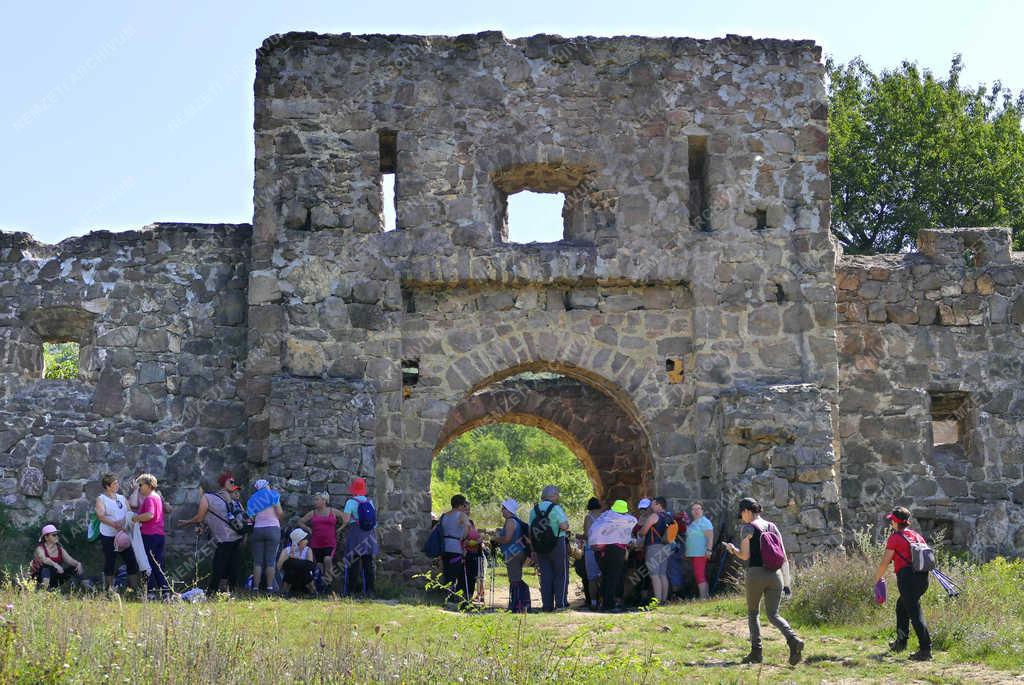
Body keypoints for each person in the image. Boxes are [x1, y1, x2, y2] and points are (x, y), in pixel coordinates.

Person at [724, 497, 803, 666]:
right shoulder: (772, 526)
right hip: (776, 576)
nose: (742, 517)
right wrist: (787, 584)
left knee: (754, 613)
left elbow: (745, 555)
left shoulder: (748, 528)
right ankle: (793, 639)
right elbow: (784, 558)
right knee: (774, 614)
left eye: (741, 514)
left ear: (746, 511)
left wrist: (733, 550)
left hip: (756, 574)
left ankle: (756, 653)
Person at [874, 506, 932, 661]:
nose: (890, 523)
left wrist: (877, 578)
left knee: (915, 613)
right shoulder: (916, 535)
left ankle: (925, 650)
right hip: (923, 578)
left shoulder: (895, 538)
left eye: (891, 520)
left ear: (894, 521)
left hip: (908, 579)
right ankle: (901, 642)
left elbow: (885, 562)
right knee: (902, 606)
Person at [179, 472, 245, 595]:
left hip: (224, 539)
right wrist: (204, 527)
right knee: (233, 565)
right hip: (237, 536)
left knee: (219, 565)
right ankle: (231, 591)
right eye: (231, 481)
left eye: (233, 482)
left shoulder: (208, 498)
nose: (233, 484)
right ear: (222, 483)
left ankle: (212, 591)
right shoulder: (233, 499)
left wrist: (187, 522)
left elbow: (200, 517)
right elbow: (213, 517)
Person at [588, 500, 637, 613]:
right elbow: (633, 524)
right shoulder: (625, 520)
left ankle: (602, 602)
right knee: (613, 577)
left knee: (605, 576)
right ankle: (609, 604)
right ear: (624, 511)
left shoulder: (604, 517)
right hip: (616, 551)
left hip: (600, 551)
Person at [94, 473, 140, 592]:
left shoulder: (122, 498)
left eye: (117, 482)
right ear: (107, 486)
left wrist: (124, 522)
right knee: (110, 561)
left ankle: (133, 588)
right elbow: (100, 516)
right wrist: (115, 524)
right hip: (109, 536)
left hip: (123, 536)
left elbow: (129, 512)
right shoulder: (101, 499)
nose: (117, 485)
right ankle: (109, 589)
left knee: (131, 560)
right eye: (114, 483)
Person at [530, 485, 571, 612]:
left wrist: (533, 550)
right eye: (557, 495)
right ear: (552, 496)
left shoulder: (534, 510)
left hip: (540, 545)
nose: (558, 497)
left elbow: (530, 531)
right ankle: (561, 604)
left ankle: (547, 605)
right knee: (561, 574)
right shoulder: (556, 508)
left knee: (546, 575)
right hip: (557, 543)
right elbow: (564, 526)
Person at [341, 477, 379, 597]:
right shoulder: (369, 501)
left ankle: (350, 591)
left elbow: (346, 520)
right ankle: (370, 591)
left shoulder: (350, 502)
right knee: (368, 564)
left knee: (353, 564)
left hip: (355, 533)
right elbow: (374, 520)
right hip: (368, 534)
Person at [131, 473, 168, 597]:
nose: (139, 487)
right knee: (158, 564)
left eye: (140, 485)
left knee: (146, 564)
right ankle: (165, 592)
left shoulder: (150, 498)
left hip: (149, 535)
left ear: (147, 485)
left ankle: (150, 592)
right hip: (159, 535)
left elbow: (149, 515)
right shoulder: (157, 497)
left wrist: (135, 518)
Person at [247, 478, 284, 594]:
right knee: (270, 561)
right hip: (273, 529)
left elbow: (250, 518)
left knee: (257, 562)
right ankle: (269, 588)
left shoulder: (252, 499)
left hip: (258, 529)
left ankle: (255, 588)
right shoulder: (273, 495)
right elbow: (280, 513)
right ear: (267, 486)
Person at [492, 499, 530, 612]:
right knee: (515, 579)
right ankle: (520, 604)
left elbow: (507, 538)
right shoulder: (516, 520)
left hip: (513, 553)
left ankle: (517, 605)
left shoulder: (510, 521)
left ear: (508, 510)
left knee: (514, 580)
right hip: (518, 551)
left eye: (503, 508)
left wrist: (495, 538)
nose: (501, 511)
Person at [300, 492, 344, 584]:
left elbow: (345, 517)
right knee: (319, 564)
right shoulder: (313, 513)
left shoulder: (332, 511)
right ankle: (320, 584)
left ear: (324, 501)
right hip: (316, 543)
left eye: (317, 499)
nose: (314, 502)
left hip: (330, 542)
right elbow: (300, 522)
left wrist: (340, 528)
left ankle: (328, 582)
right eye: (315, 499)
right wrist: (308, 528)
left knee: (327, 559)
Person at [639, 497, 673, 603]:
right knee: (663, 575)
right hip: (666, 547)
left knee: (654, 575)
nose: (651, 506)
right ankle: (664, 600)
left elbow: (643, 532)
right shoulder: (669, 516)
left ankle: (657, 601)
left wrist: (640, 531)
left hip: (654, 547)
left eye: (653, 504)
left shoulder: (654, 516)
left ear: (659, 505)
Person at [30, 524, 83, 590]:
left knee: (75, 568)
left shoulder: (60, 549)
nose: (57, 537)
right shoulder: (40, 549)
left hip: (55, 578)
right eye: (54, 535)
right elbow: (44, 559)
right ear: (46, 537)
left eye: (57, 535)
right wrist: (55, 565)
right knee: (46, 568)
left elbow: (69, 560)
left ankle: (82, 587)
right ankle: (43, 591)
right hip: (39, 578)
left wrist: (78, 563)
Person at [439, 494, 470, 605]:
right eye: (464, 505)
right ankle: (452, 600)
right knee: (455, 574)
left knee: (447, 573)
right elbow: (468, 527)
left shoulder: (444, 516)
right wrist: (462, 538)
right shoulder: (461, 515)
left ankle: (447, 598)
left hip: (444, 548)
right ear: (461, 505)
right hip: (456, 548)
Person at [686, 502, 715, 599]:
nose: (696, 511)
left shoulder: (705, 522)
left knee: (699, 574)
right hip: (693, 554)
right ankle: (705, 597)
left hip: (701, 553)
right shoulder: (693, 523)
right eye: (694, 509)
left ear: (702, 511)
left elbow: (710, 537)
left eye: (698, 508)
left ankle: (703, 598)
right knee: (699, 574)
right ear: (691, 512)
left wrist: (709, 550)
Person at [277, 528, 316, 597]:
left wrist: (295, 561)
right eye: (304, 539)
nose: (307, 541)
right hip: (290, 581)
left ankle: (313, 591)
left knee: (297, 566)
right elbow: (278, 567)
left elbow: (310, 566)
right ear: (298, 541)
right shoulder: (286, 551)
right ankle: (284, 591)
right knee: (292, 568)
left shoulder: (308, 550)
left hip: (305, 581)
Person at [582, 497, 603, 610]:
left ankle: (593, 602)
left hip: (591, 548)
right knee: (603, 575)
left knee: (591, 577)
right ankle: (603, 599)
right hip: (603, 548)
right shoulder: (603, 517)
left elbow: (586, 534)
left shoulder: (588, 517)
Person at [463, 507, 485, 604]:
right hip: (466, 554)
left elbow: (474, 535)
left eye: (469, 509)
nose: (468, 511)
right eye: (465, 509)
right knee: (467, 577)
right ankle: (465, 598)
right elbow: (465, 542)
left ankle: (470, 598)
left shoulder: (470, 522)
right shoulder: (461, 523)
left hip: (475, 554)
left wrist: (479, 541)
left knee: (474, 577)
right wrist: (477, 542)